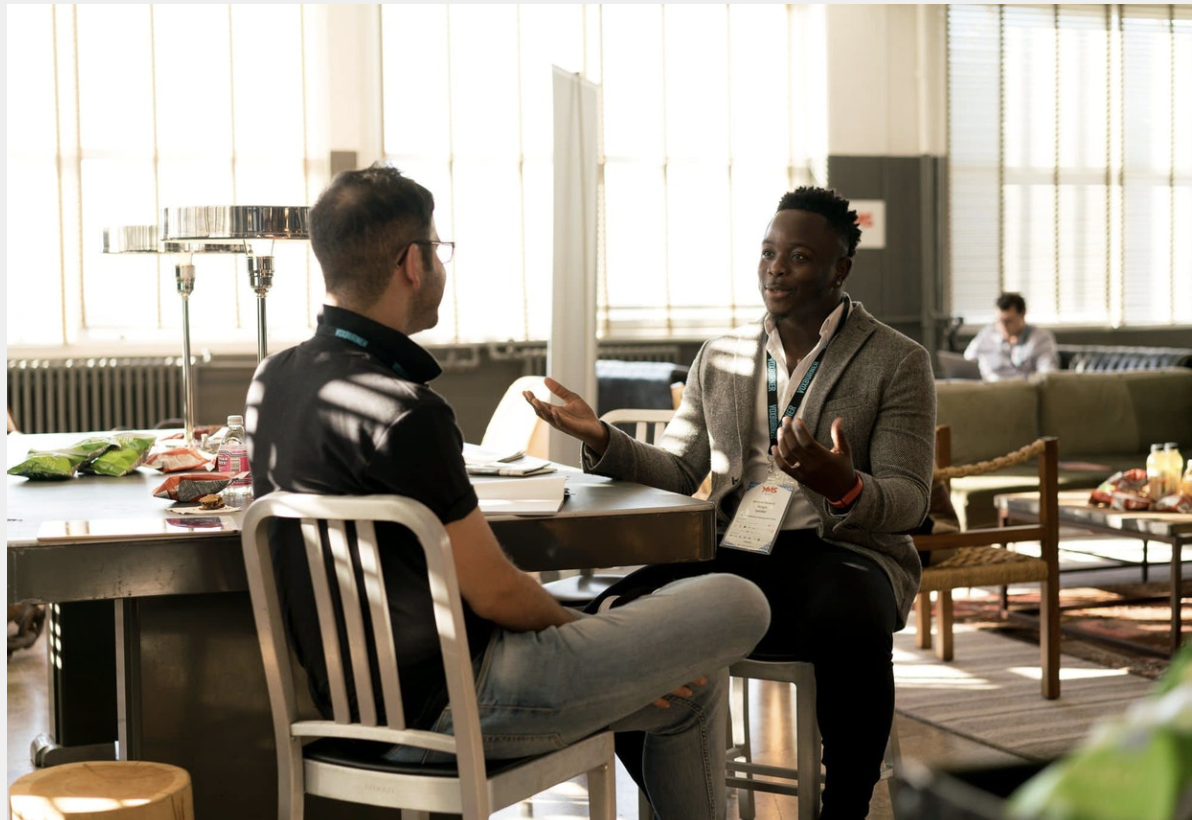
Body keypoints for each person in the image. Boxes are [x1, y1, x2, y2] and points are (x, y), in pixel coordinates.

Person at [245, 164, 770, 819]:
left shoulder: (273, 381)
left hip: (345, 712)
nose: (440, 265)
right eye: (439, 250)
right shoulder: (409, 411)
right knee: (738, 599)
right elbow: (493, 590)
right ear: (412, 262)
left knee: (690, 688)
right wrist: (584, 630)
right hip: (463, 704)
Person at [525, 186, 936, 820]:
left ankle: (846, 806)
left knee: (850, 612)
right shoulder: (719, 357)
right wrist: (604, 439)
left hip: (845, 553)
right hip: (738, 547)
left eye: (798, 255)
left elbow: (909, 501)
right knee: (622, 610)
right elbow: (682, 469)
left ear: (840, 269)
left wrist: (841, 485)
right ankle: (678, 802)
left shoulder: (897, 360)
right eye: (768, 252)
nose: (776, 268)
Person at [963, 292, 1059, 381]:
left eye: (1008, 321)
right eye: (999, 321)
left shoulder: (1040, 338)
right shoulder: (987, 334)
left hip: (1021, 390)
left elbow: (1048, 375)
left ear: (1023, 313)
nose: (1003, 326)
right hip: (988, 390)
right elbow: (966, 362)